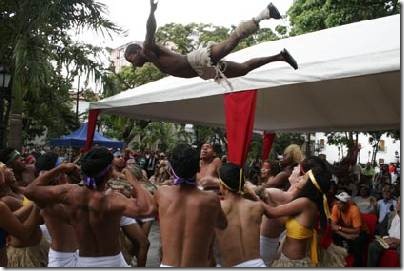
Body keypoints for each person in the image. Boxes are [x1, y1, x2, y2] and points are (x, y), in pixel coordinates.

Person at [23, 147, 156, 267]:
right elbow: (149, 209)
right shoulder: (113, 199)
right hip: (112, 263)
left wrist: (60, 168)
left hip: (84, 263)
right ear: (110, 171)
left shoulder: (70, 193)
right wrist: (132, 180)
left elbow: (30, 191)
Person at [125, 0, 298, 86]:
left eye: (130, 60)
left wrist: (151, 11)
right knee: (243, 69)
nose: (133, 65)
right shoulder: (149, 56)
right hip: (202, 71)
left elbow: (150, 30)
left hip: (196, 60)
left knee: (231, 42)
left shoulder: (147, 49)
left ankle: (264, 13)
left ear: (135, 53)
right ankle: (280, 56)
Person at [155, 143, 227, 267]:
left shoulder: (161, 193)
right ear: (197, 169)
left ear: (172, 169)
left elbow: (147, 211)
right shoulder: (211, 199)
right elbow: (223, 224)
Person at [264, 156, 332, 267]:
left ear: (309, 185)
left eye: (303, 178)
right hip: (288, 258)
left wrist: (257, 194)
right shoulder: (311, 202)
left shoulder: (304, 203)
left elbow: (272, 212)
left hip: (292, 263)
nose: (299, 178)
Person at [215, 162, 276, 267]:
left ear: (222, 185)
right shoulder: (257, 207)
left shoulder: (216, 208)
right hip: (258, 265)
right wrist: (254, 195)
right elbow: (273, 212)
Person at [330, 191, 368, 267]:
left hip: (362, 231)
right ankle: (339, 259)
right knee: (334, 235)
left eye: (342, 202)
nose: (339, 204)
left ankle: (358, 265)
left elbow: (357, 231)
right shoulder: (336, 207)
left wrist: (339, 228)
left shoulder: (354, 209)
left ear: (347, 204)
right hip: (347, 231)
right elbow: (333, 226)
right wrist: (345, 235)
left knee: (357, 242)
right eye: (338, 201)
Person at [367, 197, 400, 266]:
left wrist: (397, 241)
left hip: (399, 242)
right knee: (373, 246)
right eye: (397, 203)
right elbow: (381, 227)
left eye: (401, 203)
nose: (398, 205)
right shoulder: (391, 214)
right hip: (389, 239)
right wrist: (385, 237)